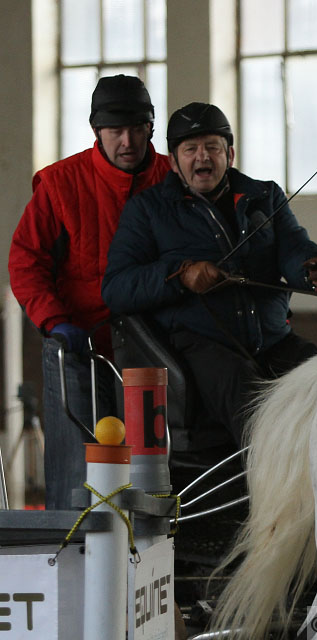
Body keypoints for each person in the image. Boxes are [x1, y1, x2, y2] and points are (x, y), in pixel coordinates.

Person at [102, 102, 317, 446]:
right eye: (190, 149)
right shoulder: (147, 210)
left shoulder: (265, 196)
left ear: (230, 153)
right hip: (202, 347)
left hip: (273, 341)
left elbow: (294, 248)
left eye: (212, 147)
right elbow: (117, 288)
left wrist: (315, 266)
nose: (202, 157)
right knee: (254, 403)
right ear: (173, 161)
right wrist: (180, 275)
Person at [8, 75, 170, 510]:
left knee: (155, 468)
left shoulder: (173, 179)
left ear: (151, 128)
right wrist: (55, 321)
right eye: (115, 130)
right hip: (78, 344)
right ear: (97, 131)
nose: (127, 140)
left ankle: (162, 549)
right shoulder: (61, 185)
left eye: (137, 128)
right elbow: (25, 260)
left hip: (155, 344)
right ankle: (73, 544)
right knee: (79, 471)